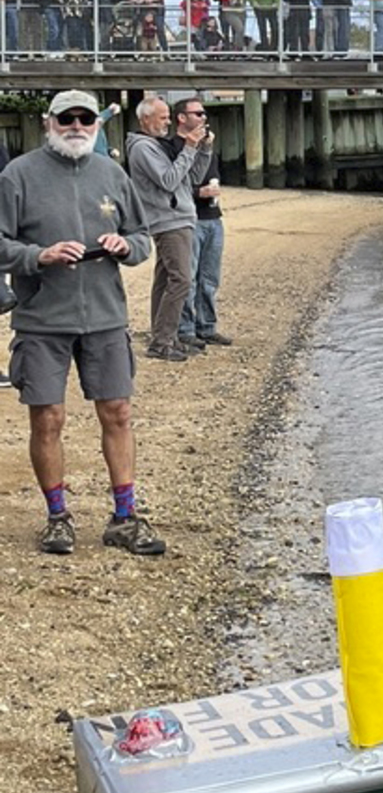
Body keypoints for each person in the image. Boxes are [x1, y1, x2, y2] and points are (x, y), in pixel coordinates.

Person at [0, 90, 164, 556]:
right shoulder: (18, 175)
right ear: (49, 122)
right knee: (47, 417)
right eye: (67, 118)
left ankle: (125, 516)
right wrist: (38, 256)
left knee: (118, 412)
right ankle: (57, 517)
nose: (76, 126)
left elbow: (142, 239)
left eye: (85, 118)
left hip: (105, 317)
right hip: (41, 320)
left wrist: (125, 246)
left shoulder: (112, 173)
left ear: (97, 123)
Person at [126, 95, 212, 361]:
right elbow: (169, 180)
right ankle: (162, 341)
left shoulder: (157, 145)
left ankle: (165, 337)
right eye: (162, 117)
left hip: (177, 217)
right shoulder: (143, 148)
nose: (167, 122)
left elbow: (193, 178)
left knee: (165, 281)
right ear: (145, 119)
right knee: (182, 280)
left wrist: (203, 150)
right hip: (169, 220)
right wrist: (189, 147)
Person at [165, 101, 232, 349]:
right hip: (189, 220)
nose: (204, 116)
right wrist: (197, 192)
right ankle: (186, 330)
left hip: (214, 217)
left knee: (210, 278)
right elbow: (171, 183)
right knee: (187, 279)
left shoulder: (207, 147)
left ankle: (207, 327)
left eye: (204, 113)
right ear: (182, 118)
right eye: (198, 113)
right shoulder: (172, 148)